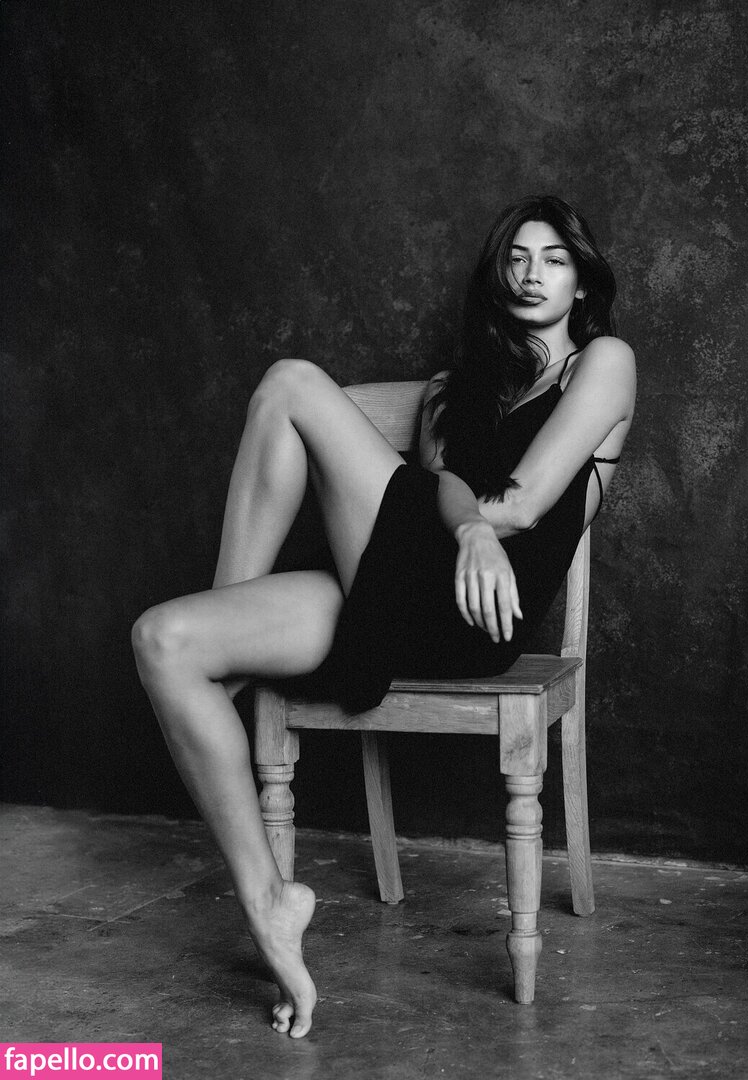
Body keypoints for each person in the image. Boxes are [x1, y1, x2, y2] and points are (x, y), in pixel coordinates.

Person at [132, 194, 636, 1039]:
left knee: (291, 383)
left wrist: (480, 528)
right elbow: (445, 487)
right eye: (516, 257)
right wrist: (467, 525)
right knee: (162, 639)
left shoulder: (605, 363)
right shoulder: (457, 388)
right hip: (393, 591)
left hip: (472, 618)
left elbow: (525, 502)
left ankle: (224, 683)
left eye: (553, 260)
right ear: (497, 274)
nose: (531, 274)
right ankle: (270, 903)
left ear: (581, 283)